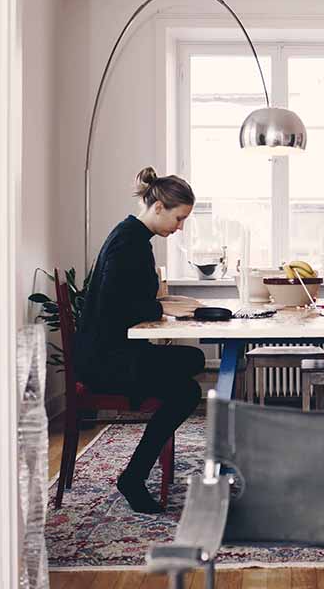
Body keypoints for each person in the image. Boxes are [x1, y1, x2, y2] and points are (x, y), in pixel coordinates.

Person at [75, 166, 204, 513]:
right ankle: (133, 477)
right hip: (105, 360)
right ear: (158, 206)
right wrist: (160, 307)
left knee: (192, 362)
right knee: (188, 387)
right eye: (179, 219)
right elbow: (118, 307)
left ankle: (139, 470)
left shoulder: (132, 236)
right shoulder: (128, 242)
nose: (180, 227)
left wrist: (161, 307)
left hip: (112, 350)